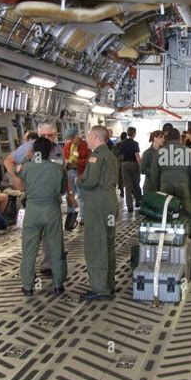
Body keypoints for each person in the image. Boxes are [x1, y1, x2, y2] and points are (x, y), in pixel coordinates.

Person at [4, 122, 76, 275]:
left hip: (52, 200)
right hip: (33, 199)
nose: (47, 138)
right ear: (38, 135)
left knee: (53, 238)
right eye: (44, 135)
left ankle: (48, 266)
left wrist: (70, 196)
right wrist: (16, 179)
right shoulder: (28, 148)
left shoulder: (57, 150)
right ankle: (42, 277)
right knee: (32, 239)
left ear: (55, 135)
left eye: (50, 135)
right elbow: (8, 161)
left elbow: (64, 174)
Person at [16, 137, 68, 297]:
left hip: (32, 211)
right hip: (52, 211)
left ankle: (28, 286)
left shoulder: (26, 168)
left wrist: (27, 157)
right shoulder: (58, 169)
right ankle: (58, 284)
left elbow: (19, 176)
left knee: (29, 248)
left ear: (33, 151)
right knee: (56, 247)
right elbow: (62, 190)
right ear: (50, 151)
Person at [77, 125, 119, 301]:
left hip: (98, 204)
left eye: (88, 135)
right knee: (108, 243)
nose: (87, 139)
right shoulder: (111, 155)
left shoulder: (96, 156)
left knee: (96, 246)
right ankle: (108, 284)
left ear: (95, 136)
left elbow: (91, 181)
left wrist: (79, 181)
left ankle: (100, 288)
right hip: (110, 202)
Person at [150, 128, 191, 242]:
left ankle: (166, 237)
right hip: (183, 185)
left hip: (165, 185)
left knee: (165, 212)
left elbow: (154, 173)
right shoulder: (188, 151)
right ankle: (187, 237)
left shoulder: (160, 152)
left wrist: (157, 188)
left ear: (167, 138)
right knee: (186, 212)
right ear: (179, 138)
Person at [63, 125, 90, 224]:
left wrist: (78, 162)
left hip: (80, 173)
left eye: (72, 138)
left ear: (77, 136)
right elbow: (64, 157)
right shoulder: (67, 145)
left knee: (82, 195)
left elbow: (89, 160)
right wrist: (66, 162)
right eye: (69, 138)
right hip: (69, 172)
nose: (71, 140)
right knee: (69, 195)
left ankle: (83, 217)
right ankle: (71, 215)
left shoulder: (85, 145)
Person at [121, 126, 142, 212]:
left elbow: (121, 155)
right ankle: (138, 202)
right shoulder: (135, 143)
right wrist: (141, 165)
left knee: (127, 186)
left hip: (125, 164)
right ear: (134, 134)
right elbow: (137, 156)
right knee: (136, 184)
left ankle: (129, 206)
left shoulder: (123, 143)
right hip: (133, 164)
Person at [140, 130, 165, 196]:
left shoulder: (164, 152)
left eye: (163, 137)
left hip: (162, 187)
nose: (163, 139)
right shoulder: (147, 153)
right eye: (161, 137)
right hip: (150, 187)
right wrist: (155, 171)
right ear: (155, 138)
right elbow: (142, 169)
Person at [114, 132, 127, 197]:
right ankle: (131, 191)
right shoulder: (127, 144)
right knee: (127, 177)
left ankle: (122, 191)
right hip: (126, 162)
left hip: (119, 163)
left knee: (120, 178)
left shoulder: (117, 144)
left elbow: (114, 154)